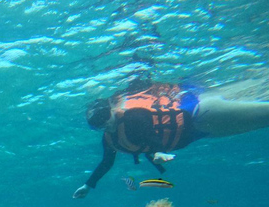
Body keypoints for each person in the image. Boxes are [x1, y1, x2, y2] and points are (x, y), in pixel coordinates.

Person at [73, 79, 269, 198]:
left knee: (263, 113)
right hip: (200, 133)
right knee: (260, 121)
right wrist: (88, 185)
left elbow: (150, 133)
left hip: (201, 113)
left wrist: (159, 152)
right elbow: (106, 162)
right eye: (97, 125)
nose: (104, 124)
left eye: (104, 117)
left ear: (113, 110)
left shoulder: (134, 115)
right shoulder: (109, 139)